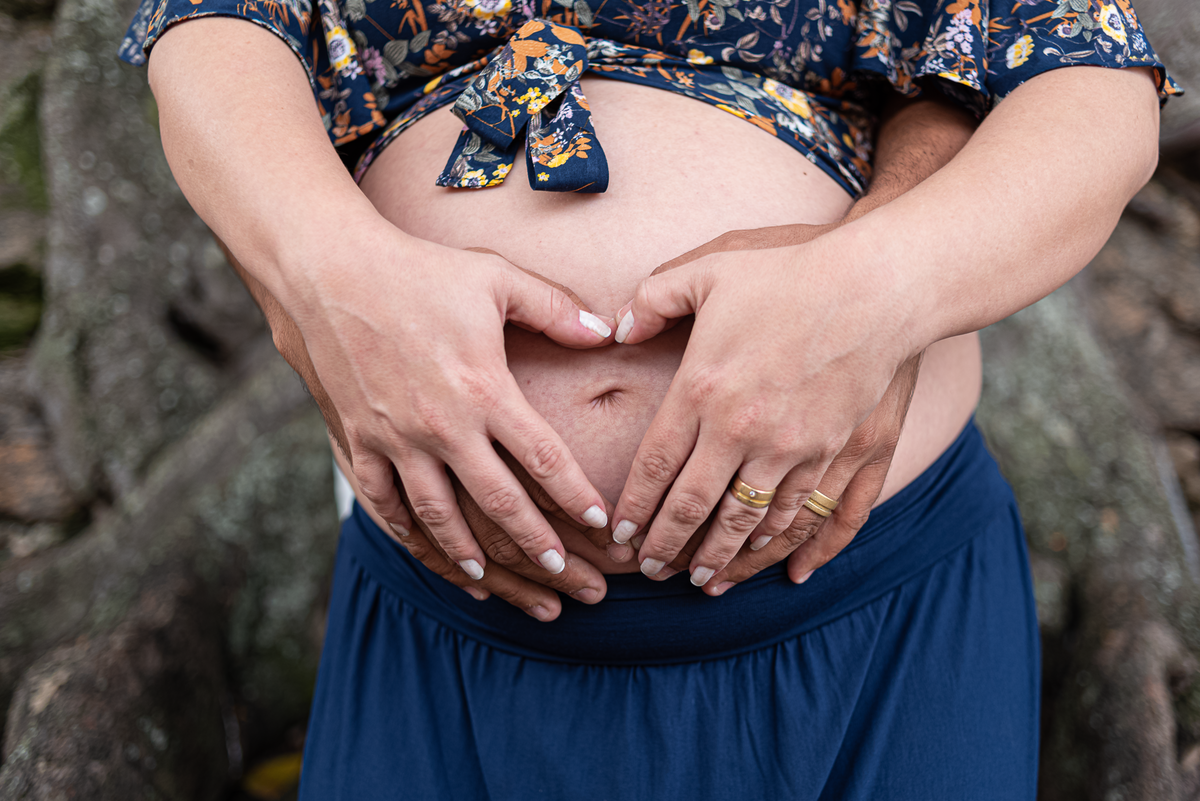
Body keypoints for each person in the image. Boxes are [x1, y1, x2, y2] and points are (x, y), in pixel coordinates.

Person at [119, 0, 1176, 795]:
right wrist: (328, 277)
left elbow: (1091, 83)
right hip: (453, 627)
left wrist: (876, 290)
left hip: (866, 615)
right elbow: (209, 27)